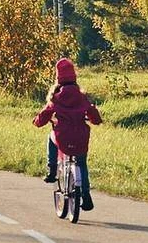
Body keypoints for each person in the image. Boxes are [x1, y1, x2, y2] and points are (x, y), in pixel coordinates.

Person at [33, 58, 102, 211]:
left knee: (50, 138)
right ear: (74, 77)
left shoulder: (56, 97)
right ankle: (86, 195)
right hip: (80, 137)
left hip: (62, 136)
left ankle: (51, 170)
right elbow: (93, 115)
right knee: (81, 164)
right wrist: (96, 120)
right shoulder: (81, 96)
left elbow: (44, 115)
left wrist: (37, 122)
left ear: (58, 79)